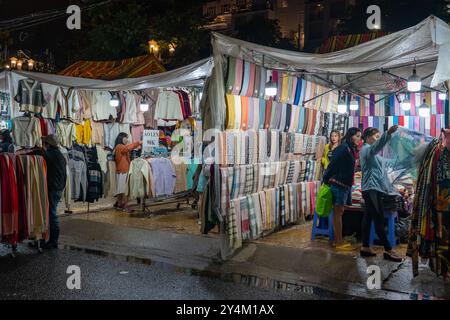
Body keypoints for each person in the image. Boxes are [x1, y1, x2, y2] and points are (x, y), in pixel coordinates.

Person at [359, 126, 403, 262]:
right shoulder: (366, 149)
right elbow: (376, 147)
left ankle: (365, 247)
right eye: (376, 136)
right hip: (371, 189)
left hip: (374, 189)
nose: (377, 139)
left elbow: (387, 163)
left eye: (379, 137)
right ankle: (388, 249)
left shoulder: (375, 156)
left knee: (368, 218)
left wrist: (403, 160)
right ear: (367, 137)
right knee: (378, 219)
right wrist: (387, 134)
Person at [323, 127, 362, 251]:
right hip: (338, 184)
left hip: (344, 185)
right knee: (338, 213)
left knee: (340, 212)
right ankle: (338, 241)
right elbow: (332, 165)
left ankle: (338, 239)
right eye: (357, 136)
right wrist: (326, 179)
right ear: (351, 136)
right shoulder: (343, 148)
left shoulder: (349, 149)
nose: (359, 139)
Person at [42, 134, 67, 249]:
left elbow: (41, 155)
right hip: (58, 187)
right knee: (51, 213)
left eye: (45, 143)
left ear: (48, 144)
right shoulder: (60, 155)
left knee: (52, 214)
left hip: (53, 188)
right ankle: (50, 239)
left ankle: (53, 241)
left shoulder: (49, 154)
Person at [114, 132, 142, 212]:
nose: (127, 140)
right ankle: (126, 206)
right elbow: (127, 148)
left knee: (120, 189)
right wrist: (138, 143)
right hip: (123, 171)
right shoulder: (120, 146)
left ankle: (120, 204)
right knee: (124, 189)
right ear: (121, 138)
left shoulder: (118, 147)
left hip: (120, 170)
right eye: (126, 138)